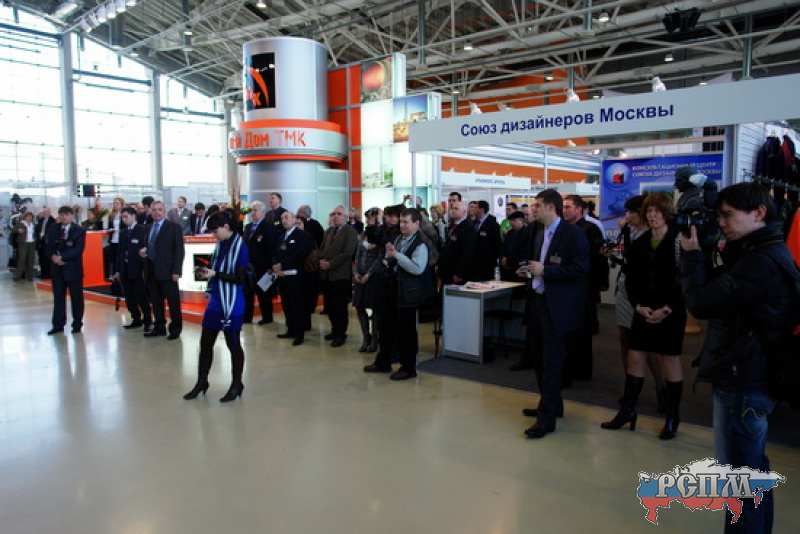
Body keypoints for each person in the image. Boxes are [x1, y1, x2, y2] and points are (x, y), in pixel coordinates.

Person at [681, 182, 799, 534]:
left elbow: (701, 302)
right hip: (751, 371)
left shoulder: (760, 262)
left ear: (759, 213)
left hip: (744, 378)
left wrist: (692, 255)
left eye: (728, 215)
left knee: (740, 478)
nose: (721, 223)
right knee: (751, 473)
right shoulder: (763, 252)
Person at [601, 192, 686, 440]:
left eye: (657, 211)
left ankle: (672, 416)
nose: (652, 215)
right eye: (649, 211)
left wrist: (666, 309)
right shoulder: (640, 243)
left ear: (667, 213)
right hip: (643, 310)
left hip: (670, 312)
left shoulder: (679, 241)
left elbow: (686, 281)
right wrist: (638, 305)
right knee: (635, 358)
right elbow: (632, 278)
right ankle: (627, 410)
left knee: (669, 361)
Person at [516, 189, 589, 439]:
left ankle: (546, 419)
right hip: (537, 302)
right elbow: (539, 267)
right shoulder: (538, 234)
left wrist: (546, 271)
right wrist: (529, 271)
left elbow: (580, 268)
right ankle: (550, 404)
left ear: (550, 207)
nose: (533, 209)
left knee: (552, 361)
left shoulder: (573, 234)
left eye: (537, 205)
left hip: (557, 307)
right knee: (538, 358)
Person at [605, 196, 667, 411]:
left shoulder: (652, 235)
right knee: (625, 340)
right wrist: (613, 254)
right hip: (625, 289)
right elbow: (627, 262)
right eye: (628, 212)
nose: (628, 216)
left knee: (646, 344)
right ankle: (631, 388)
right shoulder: (630, 233)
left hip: (644, 294)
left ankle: (661, 388)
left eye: (633, 212)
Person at [183, 212, 250, 403]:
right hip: (216, 300)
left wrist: (215, 274)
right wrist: (206, 272)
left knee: (233, 344)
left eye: (215, 231)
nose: (213, 235)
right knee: (205, 343)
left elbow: (240, 278)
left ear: (226, 227)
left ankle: (237, 383)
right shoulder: (220, 245)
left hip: (232, 301)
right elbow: (217, 269)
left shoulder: (241, 247)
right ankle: (202, 381)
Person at [364, 208, 434, 380]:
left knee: (406, 332)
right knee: (385, 328)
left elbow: (417, 268)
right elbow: (392, 261)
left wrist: (397, 256)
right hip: (393, 289)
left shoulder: (421, 243)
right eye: (401, 221)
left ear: (416, 224)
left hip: (409, 293)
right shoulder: (399, 239)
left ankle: (408, 367)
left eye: (406, 222)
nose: (402, 225)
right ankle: (383, 362)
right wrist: (389, 257)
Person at [562, 195, 609, 383]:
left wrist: (601, 282)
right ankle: (572, 367)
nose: (564, 210)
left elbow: (599, 259)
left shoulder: (590, 229)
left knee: (583, 331)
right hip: (571, 286)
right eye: (563, 207)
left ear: (579, 209)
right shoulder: (567, 229)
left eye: (568, 207)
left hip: (586, 286)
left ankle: (582, 370)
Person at [141, 201, 185, 340]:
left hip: (168, 271)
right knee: (156, 302)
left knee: (173, 302)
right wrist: (143, 253)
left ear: (165, 211)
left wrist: (176, 271)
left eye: (160, 209)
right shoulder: (147, 228)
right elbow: (147, 246)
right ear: (150, 212)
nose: (157, 212)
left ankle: (175, 329)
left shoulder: (173, 227)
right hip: (151, 270)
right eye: (154, 210)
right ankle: (159, 327)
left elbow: (179, 250)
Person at [318, 205, 359, 347]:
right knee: (330, 306)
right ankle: (334, 330)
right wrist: (321, 260)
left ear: (346, 217)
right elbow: (322, 248)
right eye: (334, 213)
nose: (335, 216)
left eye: (339, 214)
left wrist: (330, 264)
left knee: (339, 307)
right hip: (327, 275)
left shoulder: (350, 232)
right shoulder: (329, 231)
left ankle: (341, 334)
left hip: (340, 275)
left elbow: (347, 253)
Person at [273, 211, 314, 346]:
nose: (284, 220)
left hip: (295, 276)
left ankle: (299, 333)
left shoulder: (301, 235)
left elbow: (299, 254)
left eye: (286, 218)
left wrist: (282, 265)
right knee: (286, 305)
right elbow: (276, 252)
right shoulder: (282, 236)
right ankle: (290, 329)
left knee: (297, 306)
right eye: (282, 218)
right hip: (282, 275)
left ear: (294, 219)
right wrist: (276, 265)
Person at [45, 206, 86, 335]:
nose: (64, 217)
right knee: (58, 298)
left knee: (76, 298)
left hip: (72, 268)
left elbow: (78, 249)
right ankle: (58, 324)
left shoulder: (79, 230)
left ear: (72, 215)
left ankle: (77, 324)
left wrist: (62, 257)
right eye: (62, 215)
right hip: (57, 268)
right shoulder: (53, 228)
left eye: (67, 214)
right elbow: (48, 245)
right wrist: (53, 257)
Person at [113, 207, 152, 330]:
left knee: (141, 295)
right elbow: (120, 252)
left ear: (133, 216)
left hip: (138, 269)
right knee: (129, 296)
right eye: (122, 217)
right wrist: (117, 270)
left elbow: (146, 249)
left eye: (126, 216)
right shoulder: (123, 232)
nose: (124, 219)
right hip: (125, 269)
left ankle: (147, 320)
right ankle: (136, 318)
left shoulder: (142, 230)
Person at [352, 208, 385, 352]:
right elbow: (358, 254)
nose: (368, 221)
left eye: (370, 218)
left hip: (374, 276)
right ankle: (366, 336)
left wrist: (369, 274)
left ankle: (375, 339)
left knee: (375, 307)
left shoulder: (380, 233)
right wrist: (356, 272)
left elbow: (380, 257)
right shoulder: (364, 233)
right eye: (367, 218)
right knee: (359, 306)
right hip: (360, 274)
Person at [243, 201, 274, 325]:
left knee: (263, 293)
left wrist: (270, 266)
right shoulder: (248, 227)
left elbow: (270, 248)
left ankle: (267, 317)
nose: (253, 213)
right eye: (252, 210)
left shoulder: (268, 227)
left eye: (256, 210)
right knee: (248, 292)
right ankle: (247, 316)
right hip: (248, 266)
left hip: (262, 266)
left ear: (263, 212)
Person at [437, 201, 475, 285]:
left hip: (456, 271)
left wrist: (460, 273)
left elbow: (466, 253)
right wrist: (439, 263)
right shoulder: (453, 225)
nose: (452, 211)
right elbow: (447, 247)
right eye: (452, 208)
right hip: (447, 269)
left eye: (456, 209)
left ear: (464, 212)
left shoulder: (468, 228)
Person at [295, 215, 320, 331]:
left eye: (299, 224)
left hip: (307, 272)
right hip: (296, 273)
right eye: (295, 224)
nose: (297, 226)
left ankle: (306, 324)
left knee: (306, 300)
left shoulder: (307, 237)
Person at [472, 200, 502, 281]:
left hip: (487, 263)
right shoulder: (473, 223)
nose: (473, 209)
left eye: (475, 207)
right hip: (474, 262)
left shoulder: (492, 224)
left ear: (481, 210)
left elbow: (496, 243)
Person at [500, 210, 526, 281]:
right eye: (510, 220)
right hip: (506, 268)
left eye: (514, 220)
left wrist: (509, 260)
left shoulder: (526, 233)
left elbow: (523, 251)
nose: (511, 223)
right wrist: (503, 258)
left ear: (521, 220)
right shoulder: (510, 233)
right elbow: (504, 246)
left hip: (518, 266)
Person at [12, 212, 36, 282]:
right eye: (28, 216)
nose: (29, 218)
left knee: (31, 260)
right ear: (25, 217)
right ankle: (18, 276)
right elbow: (13, 229)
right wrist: (18, 230)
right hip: (23, 243)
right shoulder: (21, 223)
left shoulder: (33, 224)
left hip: (32, 243)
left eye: (31, 216)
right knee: (22, 259)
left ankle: (29, 276)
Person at [35, 207, 56, 279]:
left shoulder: (53, 221)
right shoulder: (41, 220)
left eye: (46, 212)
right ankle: (43, 273)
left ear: (49, 212)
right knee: (41, 258)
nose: (44, 213)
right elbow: (37, 230)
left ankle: (48, 274)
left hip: (48, 242)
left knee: (48, 259)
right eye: (44, 212)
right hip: (40, 242)